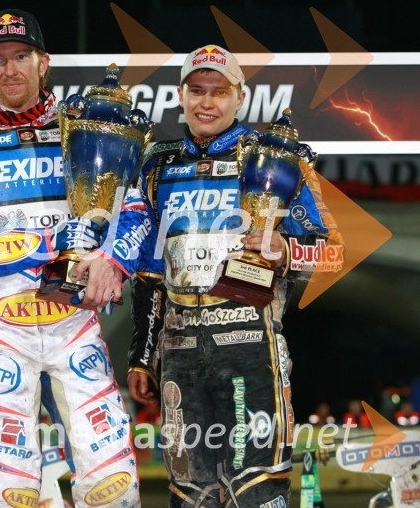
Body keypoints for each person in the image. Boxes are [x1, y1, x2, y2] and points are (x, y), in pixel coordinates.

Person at [0, 8, 149, 507]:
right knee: (15, 494)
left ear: (44, 62)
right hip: (1, 329)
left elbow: (135, 208)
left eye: (21, 56)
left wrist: (115, 261)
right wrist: (45, 246)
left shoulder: (88, 126)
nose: (10, 69)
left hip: (73, 324)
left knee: (115, 489)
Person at [127, 45, 343, 507]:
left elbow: (334, 254)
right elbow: (147, 272)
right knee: (191, 494)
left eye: (220, 92)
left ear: (240, 97)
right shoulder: (156, 165)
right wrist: (141, 357)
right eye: (197, 91)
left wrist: (285, 251)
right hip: (180, 354)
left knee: (258, 490)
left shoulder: (275, 159)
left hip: (251, 350)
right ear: (180, 96)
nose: (208, 103)